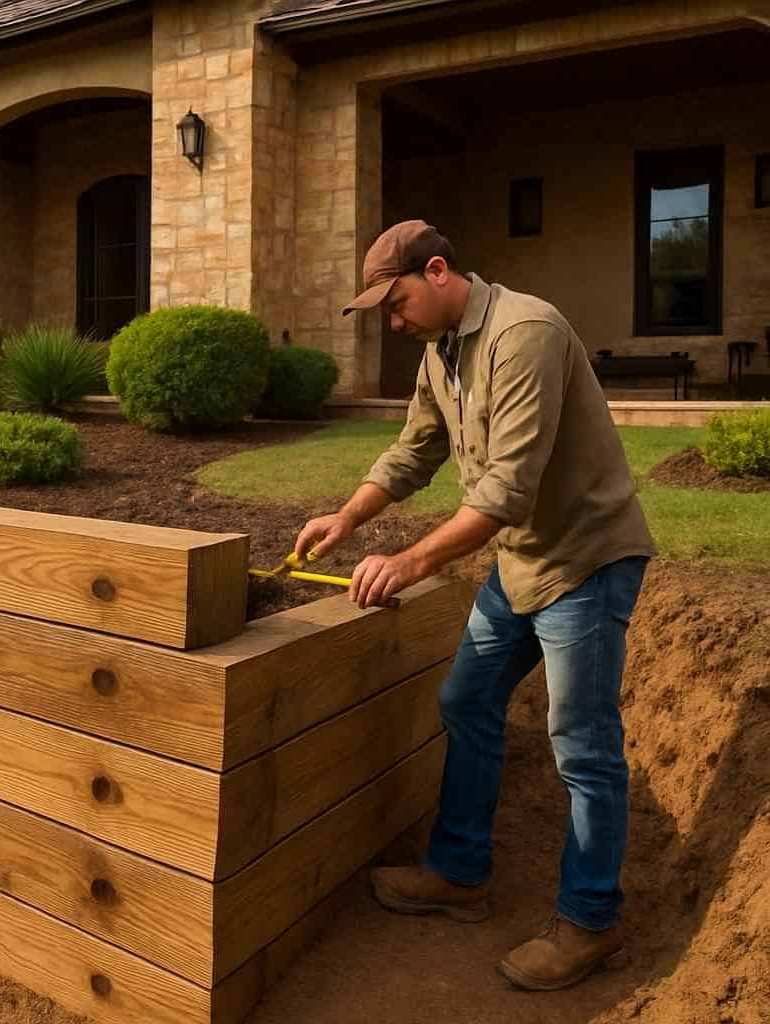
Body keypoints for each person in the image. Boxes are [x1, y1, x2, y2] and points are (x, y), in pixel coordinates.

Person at [293, 220, 656, 991]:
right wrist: (349, 518)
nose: (394, 323)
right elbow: (414, 450)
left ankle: (592, 921)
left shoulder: (526, 332)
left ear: (437, 271)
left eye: (397, 305)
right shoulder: (441, 351)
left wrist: (409, 560)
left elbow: (505, 493)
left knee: (582, 745)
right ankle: (460, 873)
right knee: (467, 699)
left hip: (585, 562)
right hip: (522, 562)